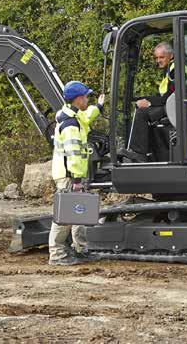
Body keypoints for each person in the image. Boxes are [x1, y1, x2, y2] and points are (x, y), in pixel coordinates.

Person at [49, 81, 105, 266]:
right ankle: (57, 255)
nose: (88, 99)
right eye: (86, 97)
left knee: (78, 214)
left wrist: (98, 106)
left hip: (74, 176)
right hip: (69, 176)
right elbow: (73, 154)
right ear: (79, 99)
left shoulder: (76, 117)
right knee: (64, 217)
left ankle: (80, 249)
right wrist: (77, 179)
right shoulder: (71, 124)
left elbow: (87, 117)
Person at [120, 42, 187, 162]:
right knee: (143, 109)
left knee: (142, 113)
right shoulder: (172, 68)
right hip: (172, 105)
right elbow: (166, 95)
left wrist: (149, 103)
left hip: (176, 107)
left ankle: (138, 153)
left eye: (161, 57)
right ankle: (148, 151)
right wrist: (142, 99)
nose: (158, 60)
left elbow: (170, 97)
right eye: (157, 57)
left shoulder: (176, 71)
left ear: (171, 56)